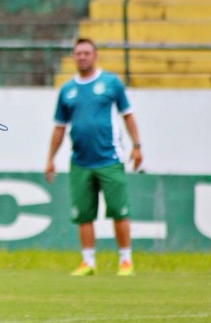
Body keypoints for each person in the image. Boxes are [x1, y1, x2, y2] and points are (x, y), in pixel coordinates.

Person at [44, 38, 143, 277]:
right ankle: (88, 262)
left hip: (110, 159)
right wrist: (50, 158)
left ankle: (125, 260)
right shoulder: (67, 90)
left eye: (87, 53)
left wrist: (137, 146)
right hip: (80, 161)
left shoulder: (110, 83)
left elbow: (127, 115)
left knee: (119, 211)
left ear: (95, 55)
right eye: (78, 53)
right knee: (83, 214)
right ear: (74, 57)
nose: (82, 57)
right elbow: (59, 127)